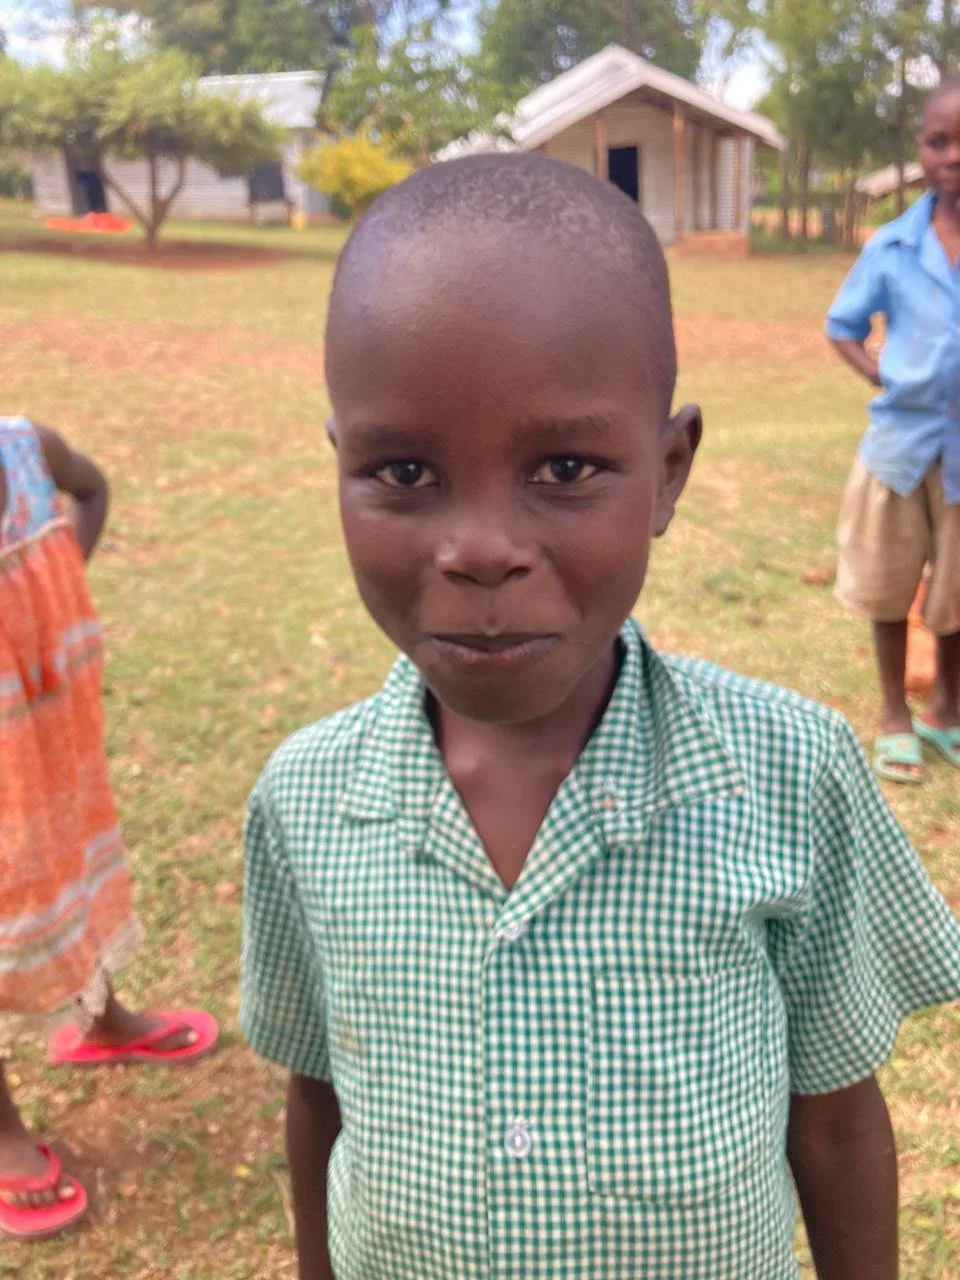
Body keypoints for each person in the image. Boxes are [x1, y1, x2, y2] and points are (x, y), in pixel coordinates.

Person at [241, 155, 960, 1280]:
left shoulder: (791, 776)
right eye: (406, 471)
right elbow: (321, 1098)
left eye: (566, 466)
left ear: (668, 470)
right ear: (342, 467)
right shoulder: (305, 800)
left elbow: (834, 1124)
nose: (481, 549)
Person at [0, 417, 218, 1242]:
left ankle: (102, 1020)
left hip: (45, 736)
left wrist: (62, 584)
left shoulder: (25, 449)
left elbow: (89, 490)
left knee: (66, 873)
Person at [826, 76, 960, 784]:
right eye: (939, 142)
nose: (953, 156)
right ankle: (893, 714)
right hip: (900, 449)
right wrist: (881, 374)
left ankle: (945, 709)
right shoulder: (893, 246)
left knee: (957, 591)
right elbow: (842, 325)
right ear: (921, 151)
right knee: (887, 582)